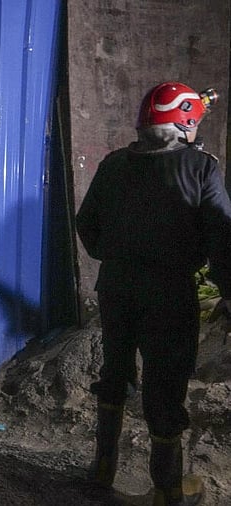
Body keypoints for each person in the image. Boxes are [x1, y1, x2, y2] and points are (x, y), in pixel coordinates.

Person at [76, 82, 231, 505]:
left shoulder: (113, 165)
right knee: (165, 386)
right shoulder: (201, 168)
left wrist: (117, 256)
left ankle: (102, 469)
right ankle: (167, 491)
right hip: (169, 293)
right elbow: (222, 237)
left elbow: (86, 224)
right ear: (184, 122)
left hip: (117, 288)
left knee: (115, 371)